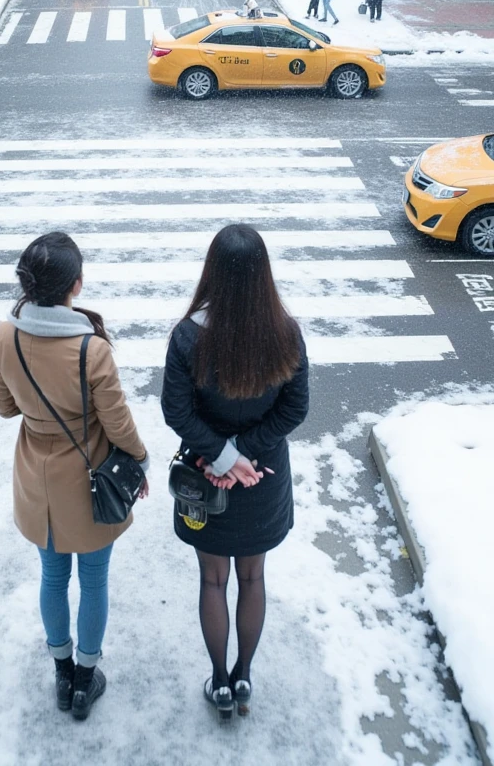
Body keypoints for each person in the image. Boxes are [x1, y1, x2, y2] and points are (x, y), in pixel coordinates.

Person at [0, 232, 149, 721]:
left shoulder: (3, 336)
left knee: (52, 576)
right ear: (75, 286)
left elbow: (3, 406)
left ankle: (61, 670)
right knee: (94, 580)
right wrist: (138, 459)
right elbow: (116, 420)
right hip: (89, 478)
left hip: (37, 482)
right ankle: (85, 677)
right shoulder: (90, 350)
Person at [161, 224, 309, 722]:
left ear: (213, 273)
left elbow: (177, 413)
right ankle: (244, 673)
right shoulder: (285, 332)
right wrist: (245, 457)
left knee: (211, 581)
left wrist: (221, 458)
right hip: (262, 478)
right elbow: (294, 409)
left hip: (205, 479)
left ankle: (219, 682)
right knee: (252, 577)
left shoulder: (187, 337)